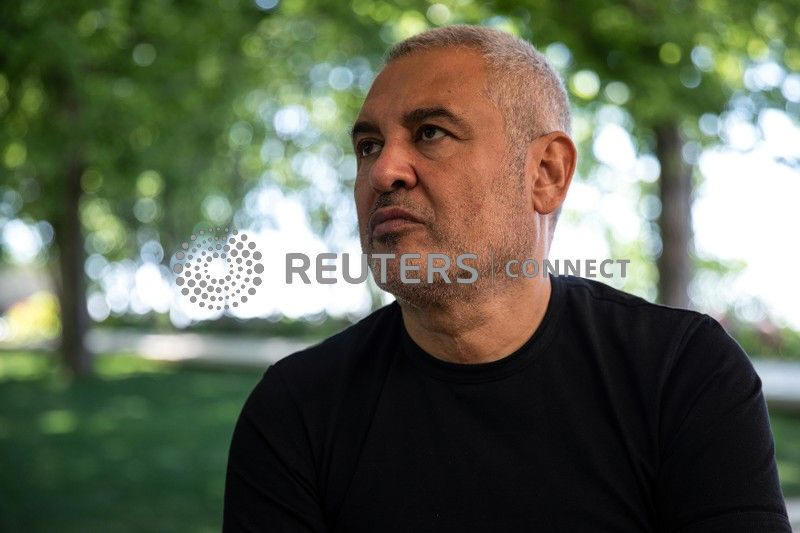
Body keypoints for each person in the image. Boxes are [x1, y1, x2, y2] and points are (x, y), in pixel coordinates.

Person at [223, 25, 790, 532]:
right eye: (368, 146)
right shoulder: (297, 410)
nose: (383, 171)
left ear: (546, 173)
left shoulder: (681, 374)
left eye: (430, 133)